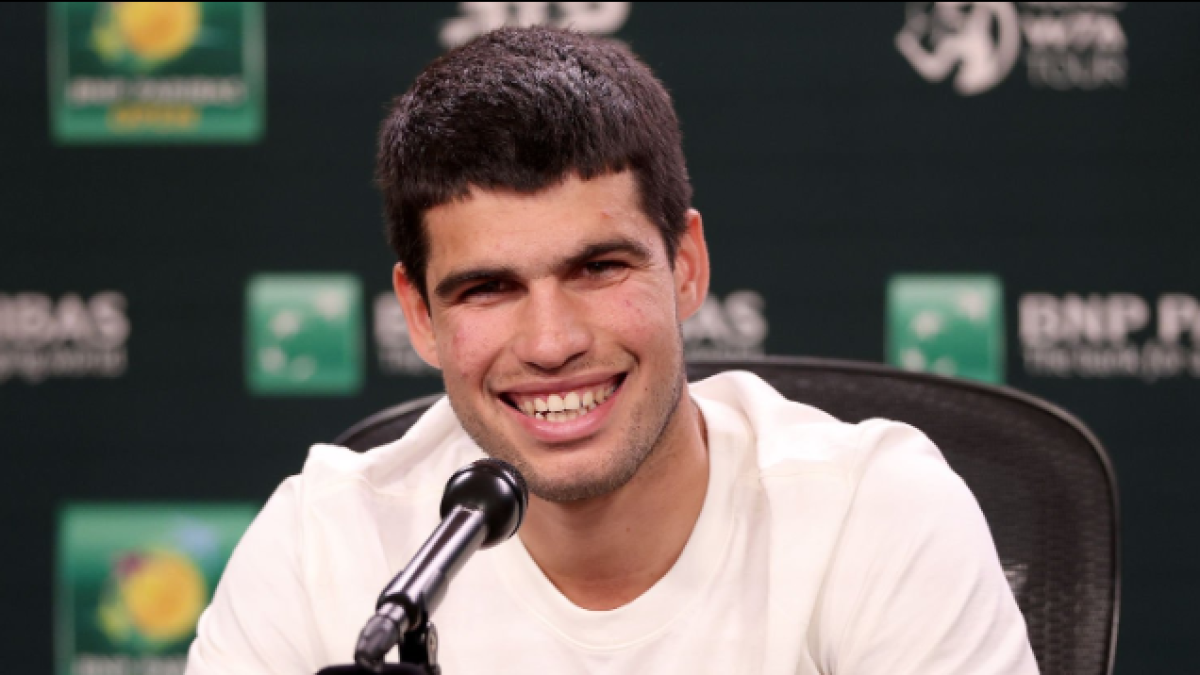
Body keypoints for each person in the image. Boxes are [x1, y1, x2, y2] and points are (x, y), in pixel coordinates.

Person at [187, 26, 1037, 675]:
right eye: (489, 288)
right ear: (418, 312)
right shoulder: (322, 547)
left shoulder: (874, 514)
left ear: (688, 266)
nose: (552, 343)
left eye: (598, 268)